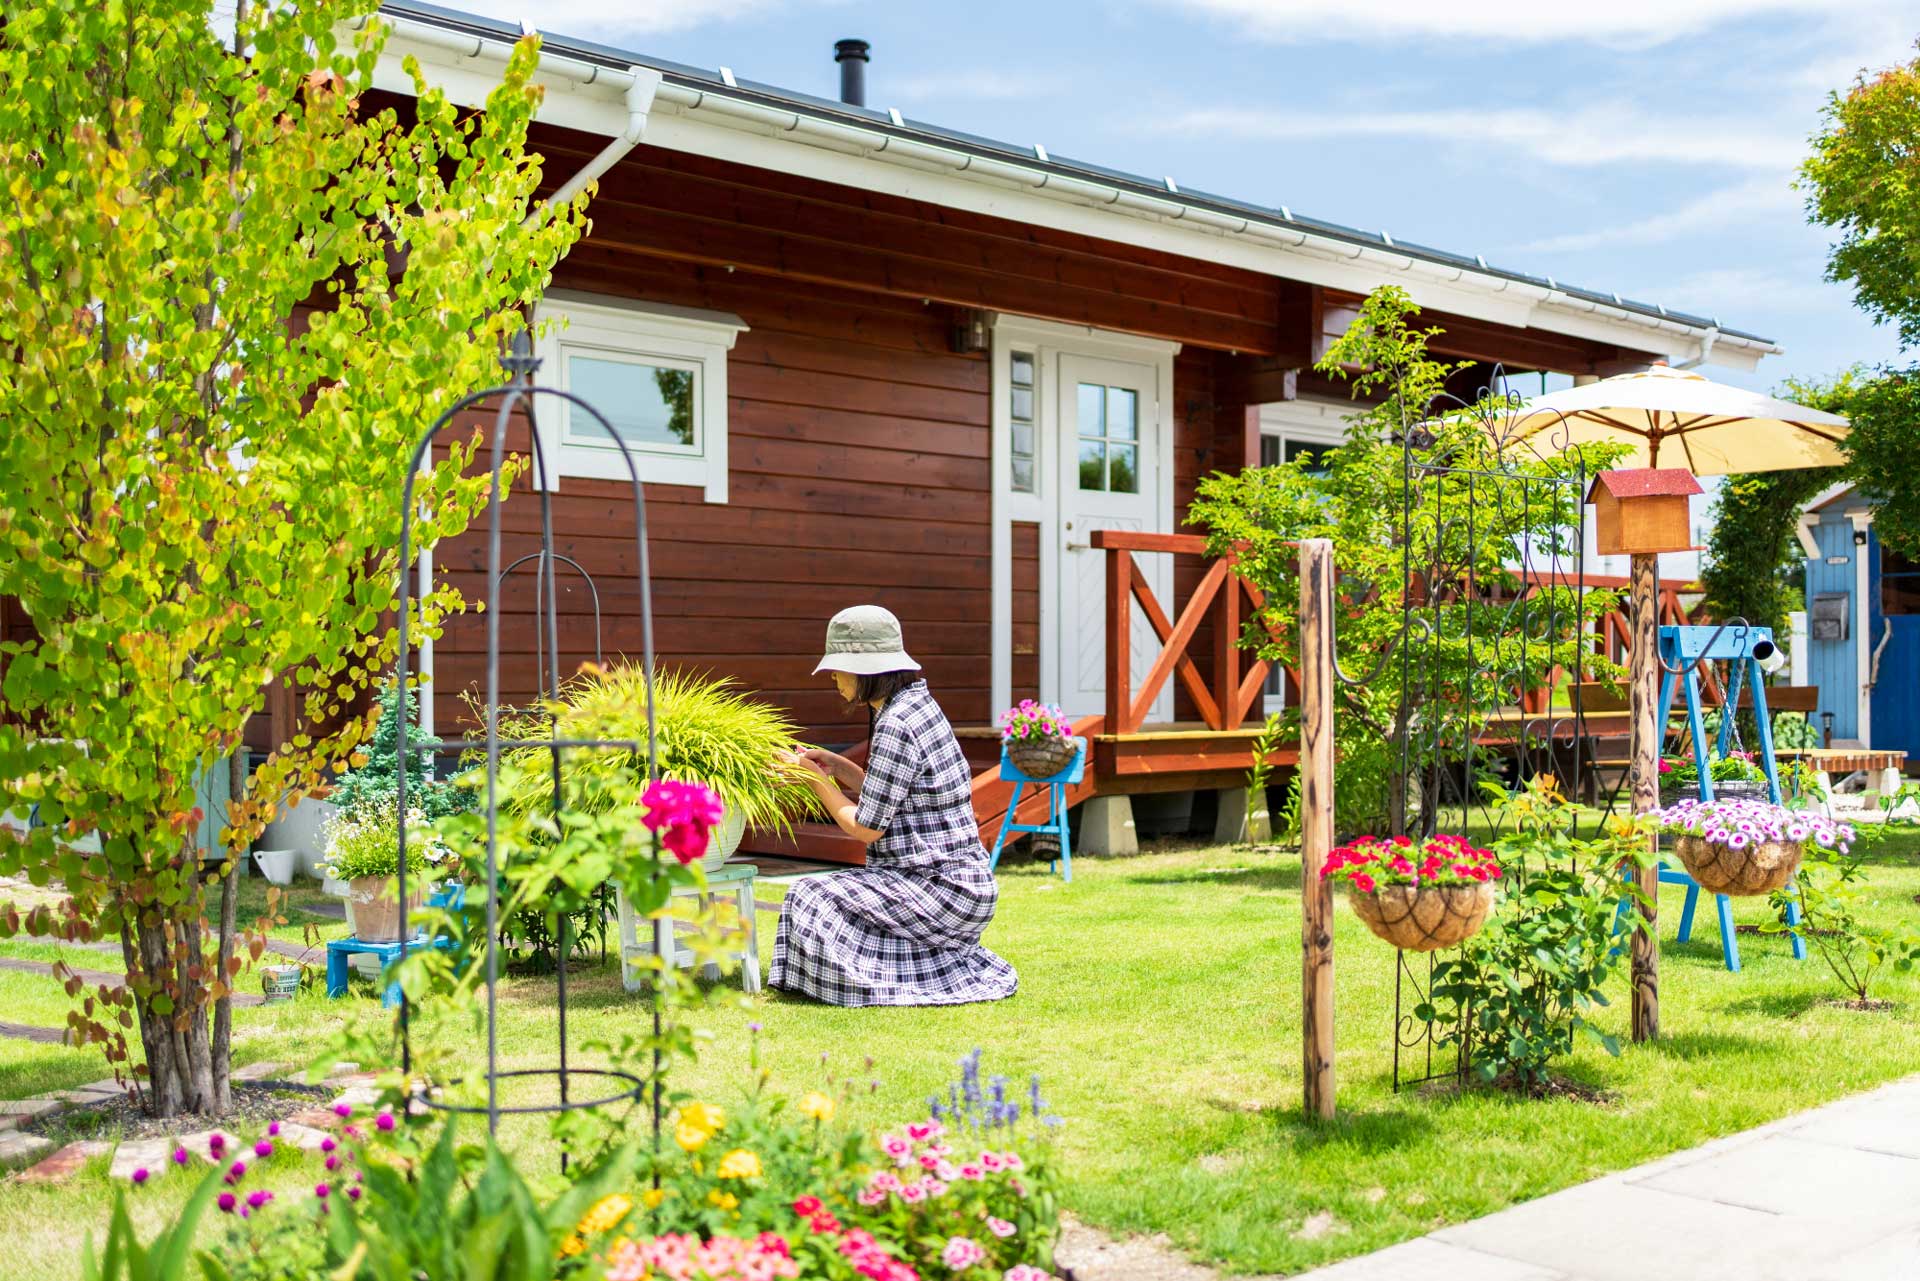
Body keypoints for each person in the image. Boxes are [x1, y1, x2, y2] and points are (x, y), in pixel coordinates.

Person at [768, 605, 1018, 1007]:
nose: (833, 677)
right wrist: (836, 766)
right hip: (962, 886)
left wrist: (814, 781)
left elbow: (867, 827)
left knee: (808, 894)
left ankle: (873, 984)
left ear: (866, 669)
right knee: (821, 894)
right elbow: (893, 795)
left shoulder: (896, 724)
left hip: (937, 888)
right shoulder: (916, 706)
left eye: (838, 668)